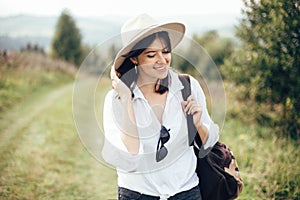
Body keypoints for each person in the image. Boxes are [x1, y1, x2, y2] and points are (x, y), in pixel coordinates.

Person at [102, 14, 219, 200]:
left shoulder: (187, 87)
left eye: (165, 52)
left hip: (186, 191)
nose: (162, 60)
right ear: (134, 59)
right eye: (151, 55)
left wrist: (199, 124)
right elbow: (131, 153)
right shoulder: (115, 100)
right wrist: (126, 100)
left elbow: (209, 143)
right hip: (138, 194)